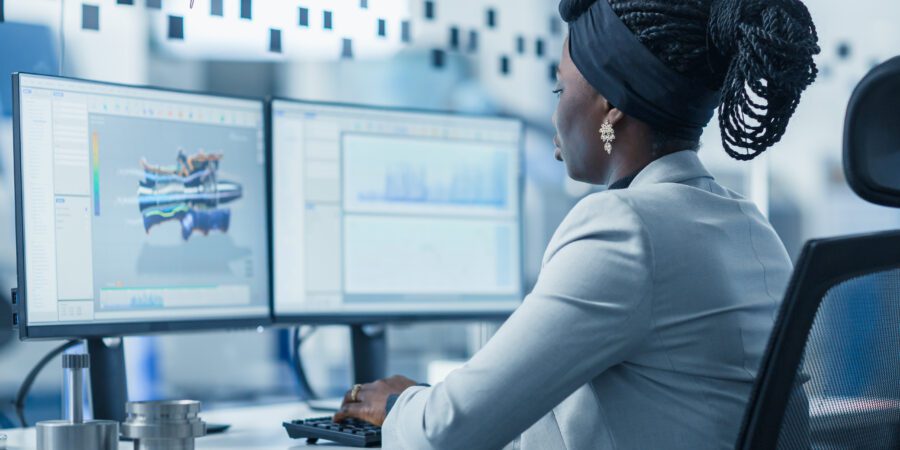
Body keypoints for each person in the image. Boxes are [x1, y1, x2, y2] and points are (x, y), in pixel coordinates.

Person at [335, 0, 820, 448]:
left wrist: (402, 406)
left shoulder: (625, 228)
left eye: (560, 88)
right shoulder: (751, 226)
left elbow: (446, 432)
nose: (554, 112)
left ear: (611, 107)